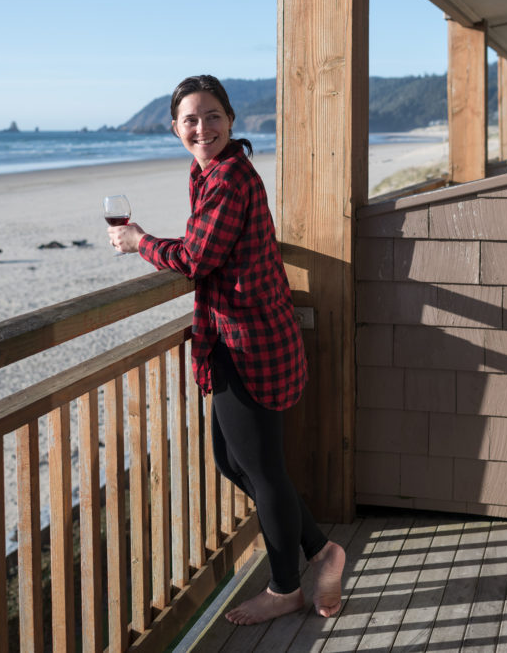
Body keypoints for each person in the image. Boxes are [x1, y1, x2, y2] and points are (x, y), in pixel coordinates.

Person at [107, 74, 345, 625]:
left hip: (250, 344)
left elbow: (197, 256)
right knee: (234, 461)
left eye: (212, 115)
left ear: (231, 120)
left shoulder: (231, 176)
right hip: (233, 339)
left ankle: (288, 586)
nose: (202, 127)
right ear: (175, 129)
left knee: (262, 470)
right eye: (190, 119)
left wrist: (139, 241)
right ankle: (322, 551)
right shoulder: (208, 171)